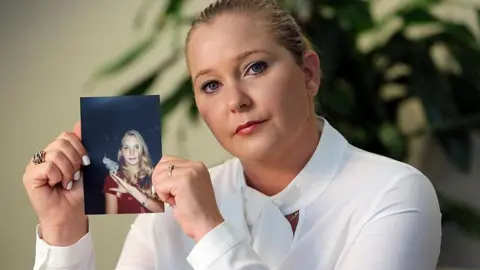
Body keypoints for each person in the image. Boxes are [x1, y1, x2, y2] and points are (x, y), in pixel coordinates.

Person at [23, 0, 442, 269]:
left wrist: (209, 230)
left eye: (255, 67)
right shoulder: (165, 208)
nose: (236, 101)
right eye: (210, 85)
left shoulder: (394, 192)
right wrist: (62, 231)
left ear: (309, 74)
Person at [103, 130, 164, 214]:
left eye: (136, 147)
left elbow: (163, 210)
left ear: (142, 150)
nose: (132, 153)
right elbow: (110, 220)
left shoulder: (154, 175)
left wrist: (133, 191)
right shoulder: (113, 180)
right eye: (126, 148)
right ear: (121, 152)